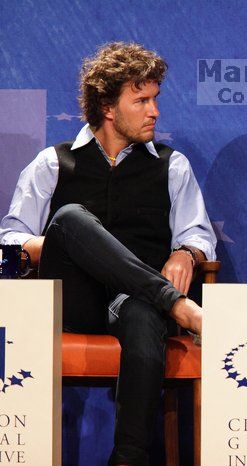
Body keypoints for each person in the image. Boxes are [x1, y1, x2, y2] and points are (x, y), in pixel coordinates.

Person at [0, 42, 217, 465]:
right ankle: (180, 307)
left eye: (155, 99)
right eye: (141, 100)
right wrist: (63, 244)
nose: (154, 111)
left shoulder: (172, 166)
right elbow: (9, 239)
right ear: (108, 107)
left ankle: (128, 458)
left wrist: (187, 254)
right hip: (72, 299)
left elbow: (198, 235)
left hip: (135, 301)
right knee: (69, 218)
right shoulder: (53, 163)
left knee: (143, 316)